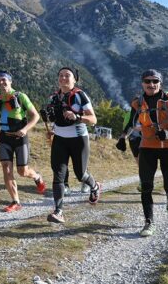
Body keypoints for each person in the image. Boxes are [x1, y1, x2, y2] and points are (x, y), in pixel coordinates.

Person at [125, 69, 168, 237]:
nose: (151, 84)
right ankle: (148, 223)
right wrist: (122, 137)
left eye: (155, 81)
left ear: (160, 83)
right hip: (147, 147)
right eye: (147, 81)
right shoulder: (137, 102)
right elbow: (131, 123)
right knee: (146, 187)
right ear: (142, 83)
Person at [40, 67, 101, 223]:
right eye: (61, 75)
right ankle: (58, 211)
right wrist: (50, 126)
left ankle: (94, 186)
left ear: (75, 80)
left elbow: (93, 120)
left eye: (67, 76)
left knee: (80, 174)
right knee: (58, 175)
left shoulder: (80, 95)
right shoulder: (53, 97)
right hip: (59, 139)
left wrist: (77, 116)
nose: (63, 78)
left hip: (78, 138)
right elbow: (55, 117)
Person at [0, 71, 46, 212]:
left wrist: (25, 129)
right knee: (6, 169)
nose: (1, 83)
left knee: (22, 171)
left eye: (3, 80)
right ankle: (15, 201)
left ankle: (37, 176)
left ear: (10, 81)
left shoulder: (21, 96)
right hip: (4, 137)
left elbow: (35, 116)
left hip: (20, 137)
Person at [117, 104, 142, 192]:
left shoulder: (148, 112)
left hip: (143, 139)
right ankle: (143, 181)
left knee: (142, 162)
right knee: (140, 163)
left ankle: (144, 181)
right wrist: (123, 138)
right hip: (134, 139)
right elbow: (128, 126)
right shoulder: (130, 114)